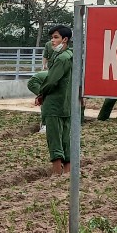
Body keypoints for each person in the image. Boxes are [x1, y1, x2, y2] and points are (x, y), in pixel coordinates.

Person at [38, 25, 74, 174]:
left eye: (56, 37)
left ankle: (56, 171)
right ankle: (67, 170)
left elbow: (51, 81)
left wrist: (41, 94)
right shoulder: (71, 56)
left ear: (65, 39)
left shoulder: (61, 59)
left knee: (54, 137)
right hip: (66, 104)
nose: (52, 41)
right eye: (52, 37)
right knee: (66, 136)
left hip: (54, 103)